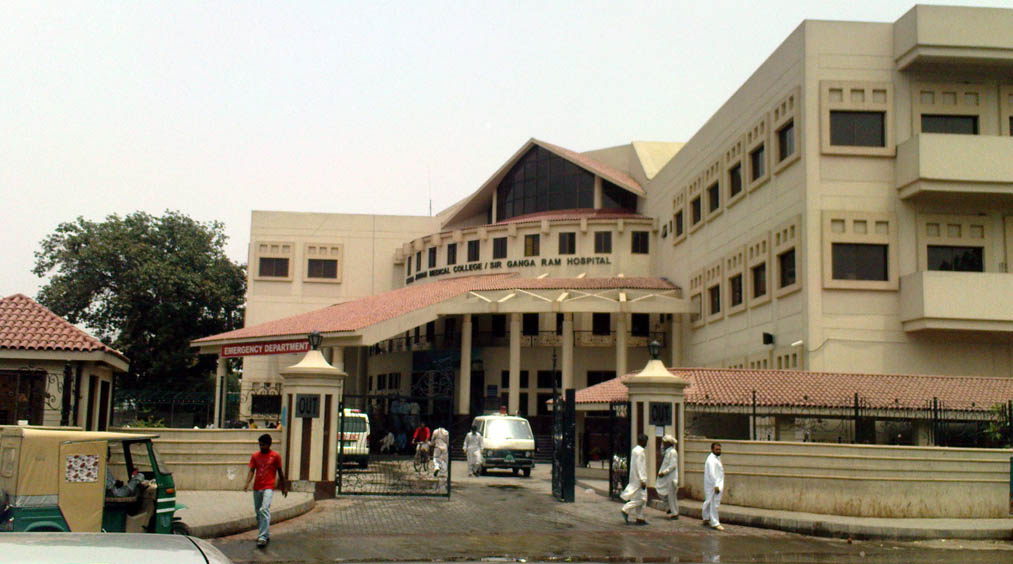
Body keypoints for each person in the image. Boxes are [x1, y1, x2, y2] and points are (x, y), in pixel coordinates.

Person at [243, 433, 288, 547]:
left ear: (269, 444)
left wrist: (283, 487)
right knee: (258, 512)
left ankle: (262, 536)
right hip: (257, 487)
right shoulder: (255, 456)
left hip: (269, 486)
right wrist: (247, 483)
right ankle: (265, 533)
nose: (261, 447)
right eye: (260, 445)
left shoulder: (275, 456)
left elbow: (280, 472)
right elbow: (252, 470)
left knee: (264, 509)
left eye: (263, 445)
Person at [620, 434, 649, 526]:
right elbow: (640, 467)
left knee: (638, 497)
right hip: (639, 479)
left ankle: (640, 518)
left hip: (634, 477)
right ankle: (626, 509)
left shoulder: (635, 450)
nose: (646, 443)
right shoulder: (640, 452)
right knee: (643, 499)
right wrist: (643, 480)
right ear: (642, 441)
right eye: (645, 441)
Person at [702, 442, 724, 531]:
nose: (718, 451)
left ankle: (706, 518)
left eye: (719, 449)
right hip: (714, 485)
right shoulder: (711, 460)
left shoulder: (717, 458)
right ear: (712, 450)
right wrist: (716, 485)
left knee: (709, 501)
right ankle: (715, 523)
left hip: (714, 484)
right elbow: (712, 473)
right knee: (714, 503)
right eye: (716, 449)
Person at [656, 435, 679, 520]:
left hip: (671, 477)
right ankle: (669, 508)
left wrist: (664, 472)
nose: (663, 444)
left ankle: (674, 513)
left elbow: (672, 466)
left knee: (672, 496)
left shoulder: (673, 452)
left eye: (664, 442)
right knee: (662, 492)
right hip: (667, 478)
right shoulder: (668, 452)